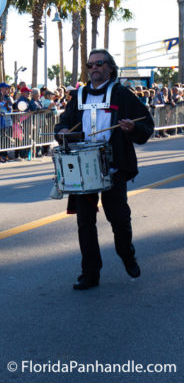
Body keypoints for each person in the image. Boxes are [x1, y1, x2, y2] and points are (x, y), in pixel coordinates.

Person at [54, 49, 154, 290]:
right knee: (85, 222)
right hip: (82, 167)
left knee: (118, 217)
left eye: (99, 63)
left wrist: (132, 129)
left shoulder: (122, 94)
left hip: (114, 165)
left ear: (110, 67)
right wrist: (62, 132)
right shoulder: (79, 95)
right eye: (90, 65)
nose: (94, 68)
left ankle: (126, 254)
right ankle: (90, 273)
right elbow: (65, 122)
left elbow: (146, 124)